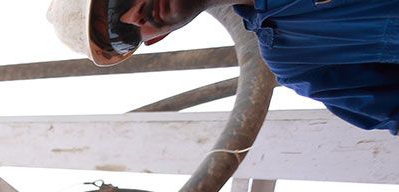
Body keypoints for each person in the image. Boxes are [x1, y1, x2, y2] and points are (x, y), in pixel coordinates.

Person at [46, 0, 399, 134]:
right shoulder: (298, 58)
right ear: (154, 38)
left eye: (115, 2)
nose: (131, 15)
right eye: (123, 35)